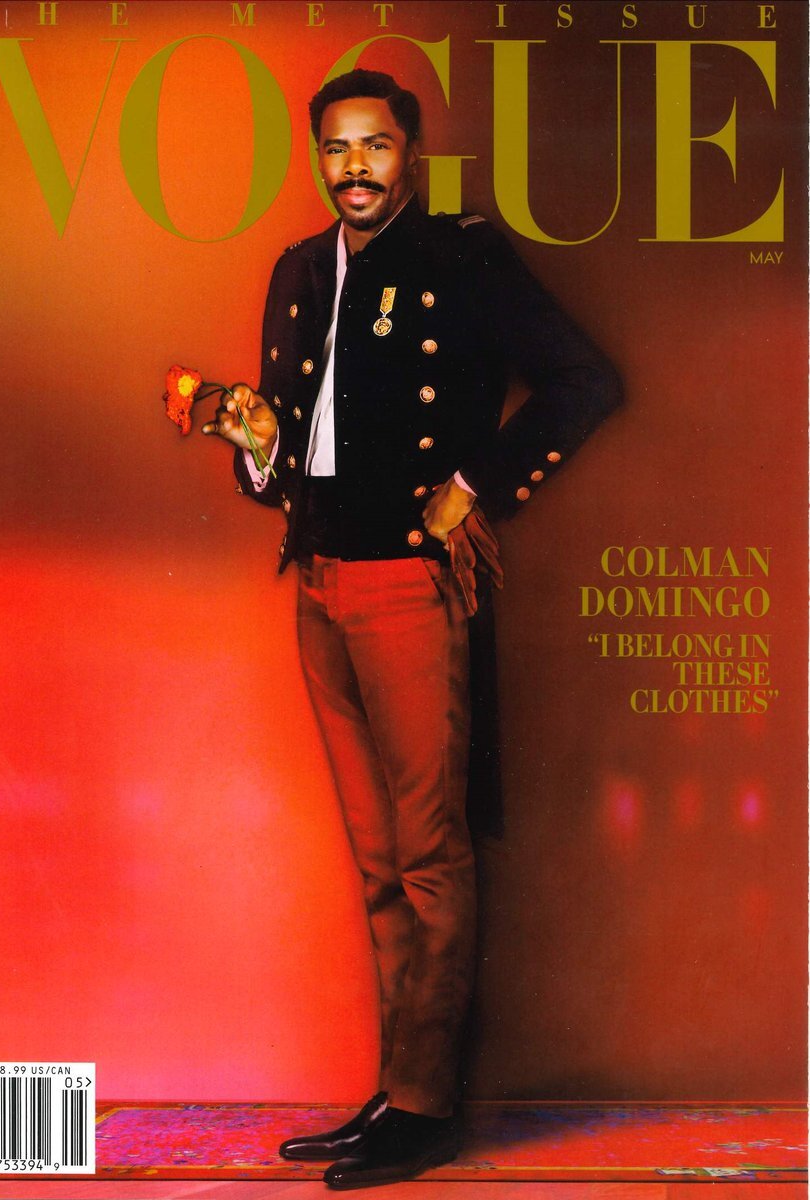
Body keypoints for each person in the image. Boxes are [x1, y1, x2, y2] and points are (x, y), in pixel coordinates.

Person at [201, 68, 622, 1190]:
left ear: (411, 155)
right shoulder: (298, 270)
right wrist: (256, 441)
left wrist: (475, 485)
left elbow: (585, 381)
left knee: (430, 858)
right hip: (316, 583)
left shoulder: (461, 259)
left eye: (375, 146)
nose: (355, 167)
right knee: (378, 861)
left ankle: (427, 1109)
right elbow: (288, 457)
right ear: (318, 158)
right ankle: (397, 1092)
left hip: (406, 587)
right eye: (336, 148)